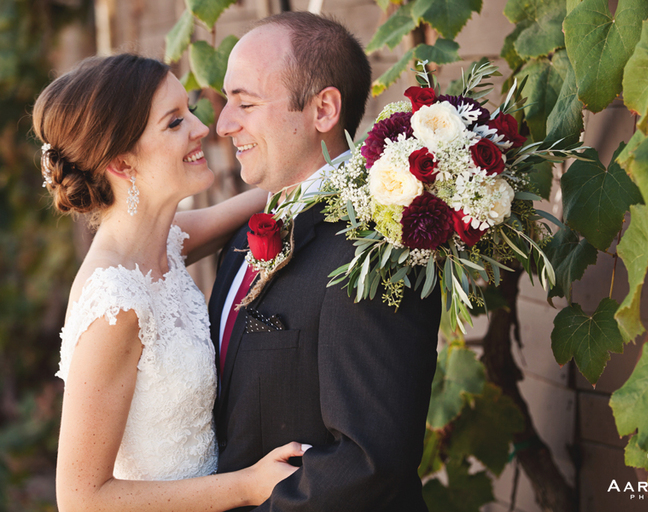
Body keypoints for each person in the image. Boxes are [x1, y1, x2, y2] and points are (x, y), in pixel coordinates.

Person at [33, 53, 307, 512]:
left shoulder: (165, 241)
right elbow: (80, 500)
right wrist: (246, 486)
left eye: (190, 111)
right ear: (122, 162)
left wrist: (336, 167)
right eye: (175, 122)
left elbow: (264, 198)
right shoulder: (117, 304)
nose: (203, 128)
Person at [212, 12, 442, 511]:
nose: (223, 124)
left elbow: (368, 464)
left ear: (323, 110)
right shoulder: (243, 235)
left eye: (245, 103)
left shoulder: (375, 250)